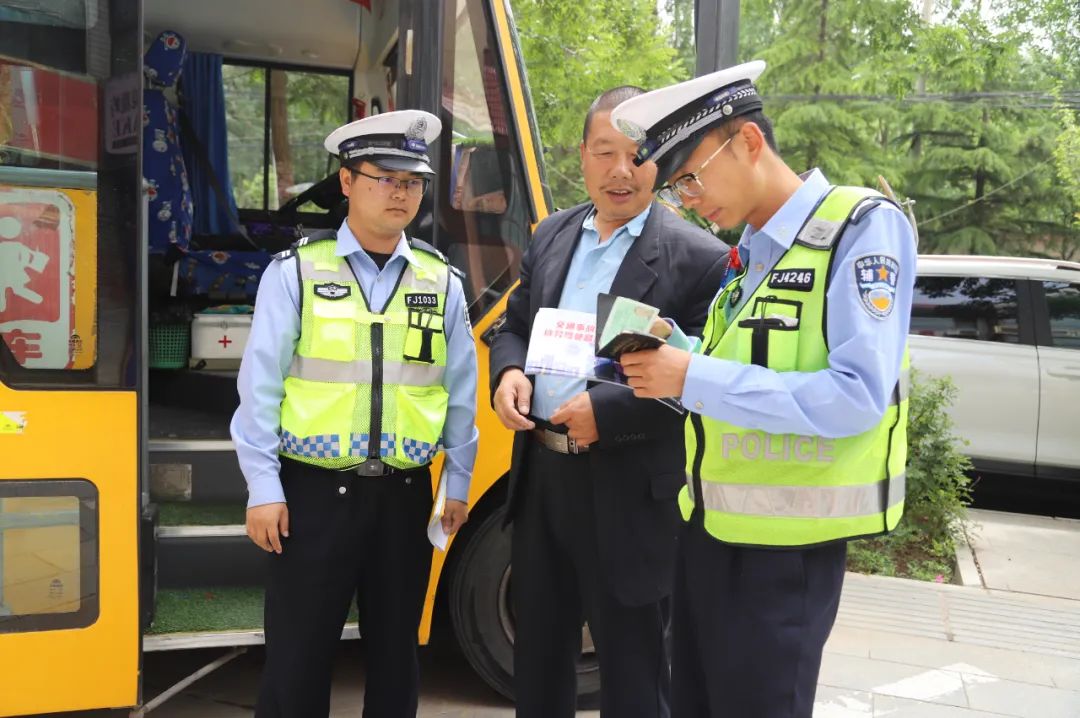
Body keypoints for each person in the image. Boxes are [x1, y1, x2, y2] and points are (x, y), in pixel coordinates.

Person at [610, 61, 916, 717]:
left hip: (784, 556)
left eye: (690, 178)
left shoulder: (860, 227)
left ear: (748, 141)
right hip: (707, 534)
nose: (689, 201)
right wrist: (677, 356)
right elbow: (752, 366)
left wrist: (692, 375)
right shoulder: (751, 250)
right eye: (677, 189)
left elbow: (857, 394)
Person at [489, 86, 730, 718]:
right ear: (583, 156)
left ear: (661, 160)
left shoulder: (699, 259)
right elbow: (514, 323)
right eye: (605, 152)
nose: (621, 170)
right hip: (542, 477)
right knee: (538, 660)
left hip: (630, 494)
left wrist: (609, 415)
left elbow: (706, 380)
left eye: (637, 154)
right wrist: (508, 373)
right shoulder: (552, 234)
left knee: (634, 672)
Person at [230, 109, 479, 717]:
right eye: (385, 178)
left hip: (404, 497)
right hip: (312, 496)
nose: (401, 193)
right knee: (297, 658)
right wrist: (263, 487)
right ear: (346, 181)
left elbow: (459, 388)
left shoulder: (440, 281)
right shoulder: (297, 272)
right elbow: (259, 386)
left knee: (397, 657)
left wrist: (458, 480)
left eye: (412, 182)